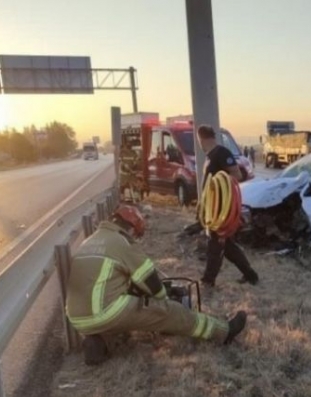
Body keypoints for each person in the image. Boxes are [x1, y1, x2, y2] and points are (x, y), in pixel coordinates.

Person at [66, 204, 247, 366]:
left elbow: (105, 282)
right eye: (136, 234)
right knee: (169, 311)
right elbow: (151, 282)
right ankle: (224, 332)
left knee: (113, 315)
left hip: (77, 319)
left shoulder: (88, 241)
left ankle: (97, 343)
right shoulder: (121, 242)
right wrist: (164, 297)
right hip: (107, 311)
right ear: (130, 228)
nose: (135, 238)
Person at [196, 125, 259, 287]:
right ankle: (251, 275)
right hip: (211, 207)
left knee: (215, 244)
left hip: (220, 210)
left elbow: (236, 175)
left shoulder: (221, 153)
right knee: (228, 246)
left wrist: (217, 187)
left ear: (201, 139)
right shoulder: (210, 156)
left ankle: (208, 280)